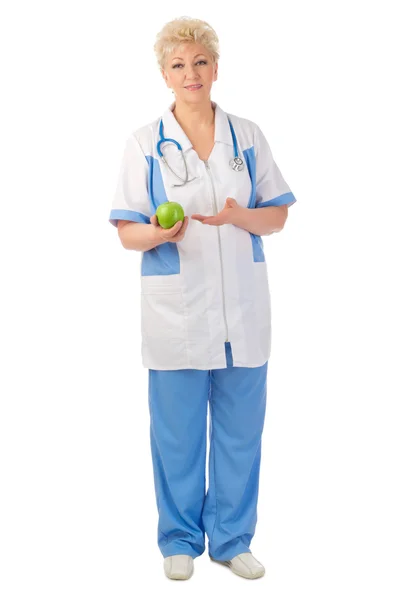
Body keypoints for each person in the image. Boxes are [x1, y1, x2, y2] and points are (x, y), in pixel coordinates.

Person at [109, 16, 297, 580]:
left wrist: (243, 216)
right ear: (164, 74)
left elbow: (278, 215)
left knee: (241, 433)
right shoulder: (145, 143)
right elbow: (126, 231)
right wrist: (160, 233)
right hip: (178, 314)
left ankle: (232, 538)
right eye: (178, 64)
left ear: (216, 67)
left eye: (200, 61)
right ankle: (180, 541)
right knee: (177, 434)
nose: (191, 73)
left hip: (243, 308)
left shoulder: (247, 136)